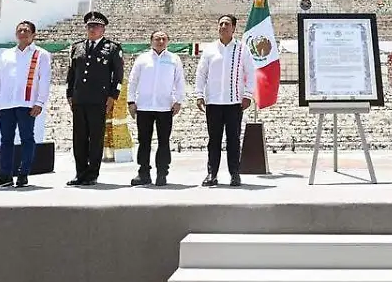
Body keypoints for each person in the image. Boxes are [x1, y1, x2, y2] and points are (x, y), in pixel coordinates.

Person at [0, 20, 51, 188]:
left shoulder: (40, 54)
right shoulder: (7, 54)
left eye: (26, 30)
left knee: (27, 139)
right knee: (6, 140)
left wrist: (40, 102)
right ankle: (5, 175)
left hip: (27, 103)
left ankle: (23, 173)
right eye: (20, 30)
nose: (23, 33)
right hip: (6, 103)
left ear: (33, 35)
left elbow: (44, 80)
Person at [194, 14, 253, 187]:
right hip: (213, 103)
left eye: (227, 24)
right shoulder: (210, 49)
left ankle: (235, 174)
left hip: (234, 102)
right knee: (214, 140)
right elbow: (201, 73)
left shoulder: (243, 49)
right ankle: (212, 174)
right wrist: (199, 95)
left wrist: (248, 95)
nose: (223, 26)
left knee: (234, 140)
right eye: (221, 24)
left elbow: (250, 73)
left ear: (234, 28)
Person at [66, 10, 123, 186]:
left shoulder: (112, 48)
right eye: (90, 26)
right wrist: (69, 93)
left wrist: (113, 96)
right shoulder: (77, 47)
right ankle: (80, 172)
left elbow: (118, 75)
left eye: (96, 26)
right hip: (79, 98)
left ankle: (92, 174)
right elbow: (71, 72)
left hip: (99, 99)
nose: (92, 29)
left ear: (103, 29)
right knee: (79, 137)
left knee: (96, 138)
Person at [127, 30, 185, 187]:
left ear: (168, 41)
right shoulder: (142, 59)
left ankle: (162, 173)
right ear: (151, 41)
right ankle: (143, 173)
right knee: (144, 142)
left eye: (163, 39)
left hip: (165, 107)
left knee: (163, 142)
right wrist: (131, 101)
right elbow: (133, 81)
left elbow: (180, 81)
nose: (160, 41)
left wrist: (178, 101)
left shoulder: (174, 59)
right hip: (144, 106)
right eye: (157, 38)